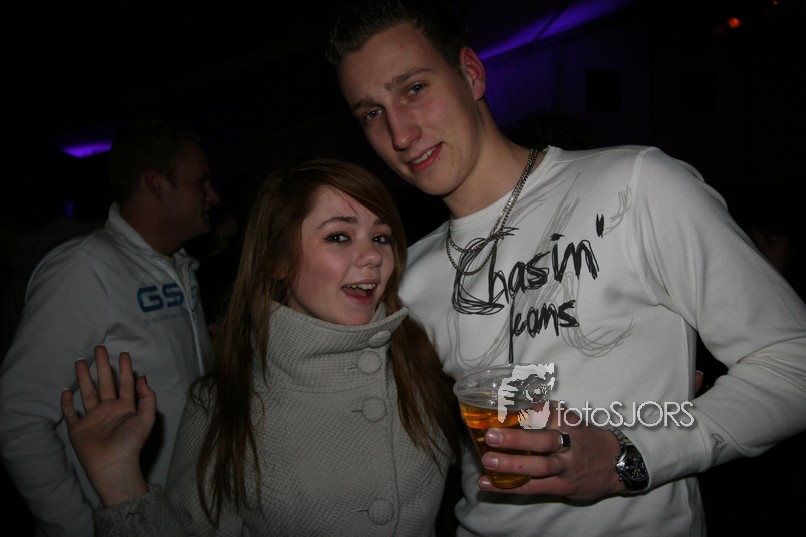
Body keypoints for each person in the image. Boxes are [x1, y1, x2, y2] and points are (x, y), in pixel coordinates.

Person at [325, 1, 806, 536]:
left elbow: (793, 361)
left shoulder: (635, 186)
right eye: (372, 113)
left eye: (414, 89)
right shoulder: (409, 277)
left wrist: (630, 455)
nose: (400, 134)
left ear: (471, 73)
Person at [61, 158, 462, 536]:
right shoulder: (222, 404)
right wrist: (120, 482)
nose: (373, 255)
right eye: (338, 236)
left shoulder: (422, 359)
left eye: (381, 237)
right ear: (278, 261)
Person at [0, 119, 219, 537]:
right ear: (157, 184)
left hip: (185, 516)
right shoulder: (85, 268)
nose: (213, 195)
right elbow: (19, 418)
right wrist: (80, 527)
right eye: (201, 181)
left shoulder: (177, 266)